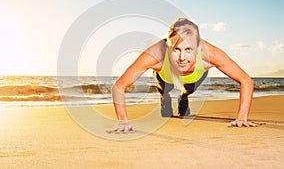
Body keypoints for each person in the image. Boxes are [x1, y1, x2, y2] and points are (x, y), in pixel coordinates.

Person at [108, 17, 257, 133]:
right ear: (168, 45)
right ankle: (164, 97)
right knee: (164, 87)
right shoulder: (155, 55)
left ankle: (183, 97)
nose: (182, 58)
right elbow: (119, 87)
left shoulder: (210, 54)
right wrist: (123, 122)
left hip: (194, 76)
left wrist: (242, 117)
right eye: (176, 49)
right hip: (165, 76)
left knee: (189, 88)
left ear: (198, 47)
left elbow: (245, 80)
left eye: (188, 49)